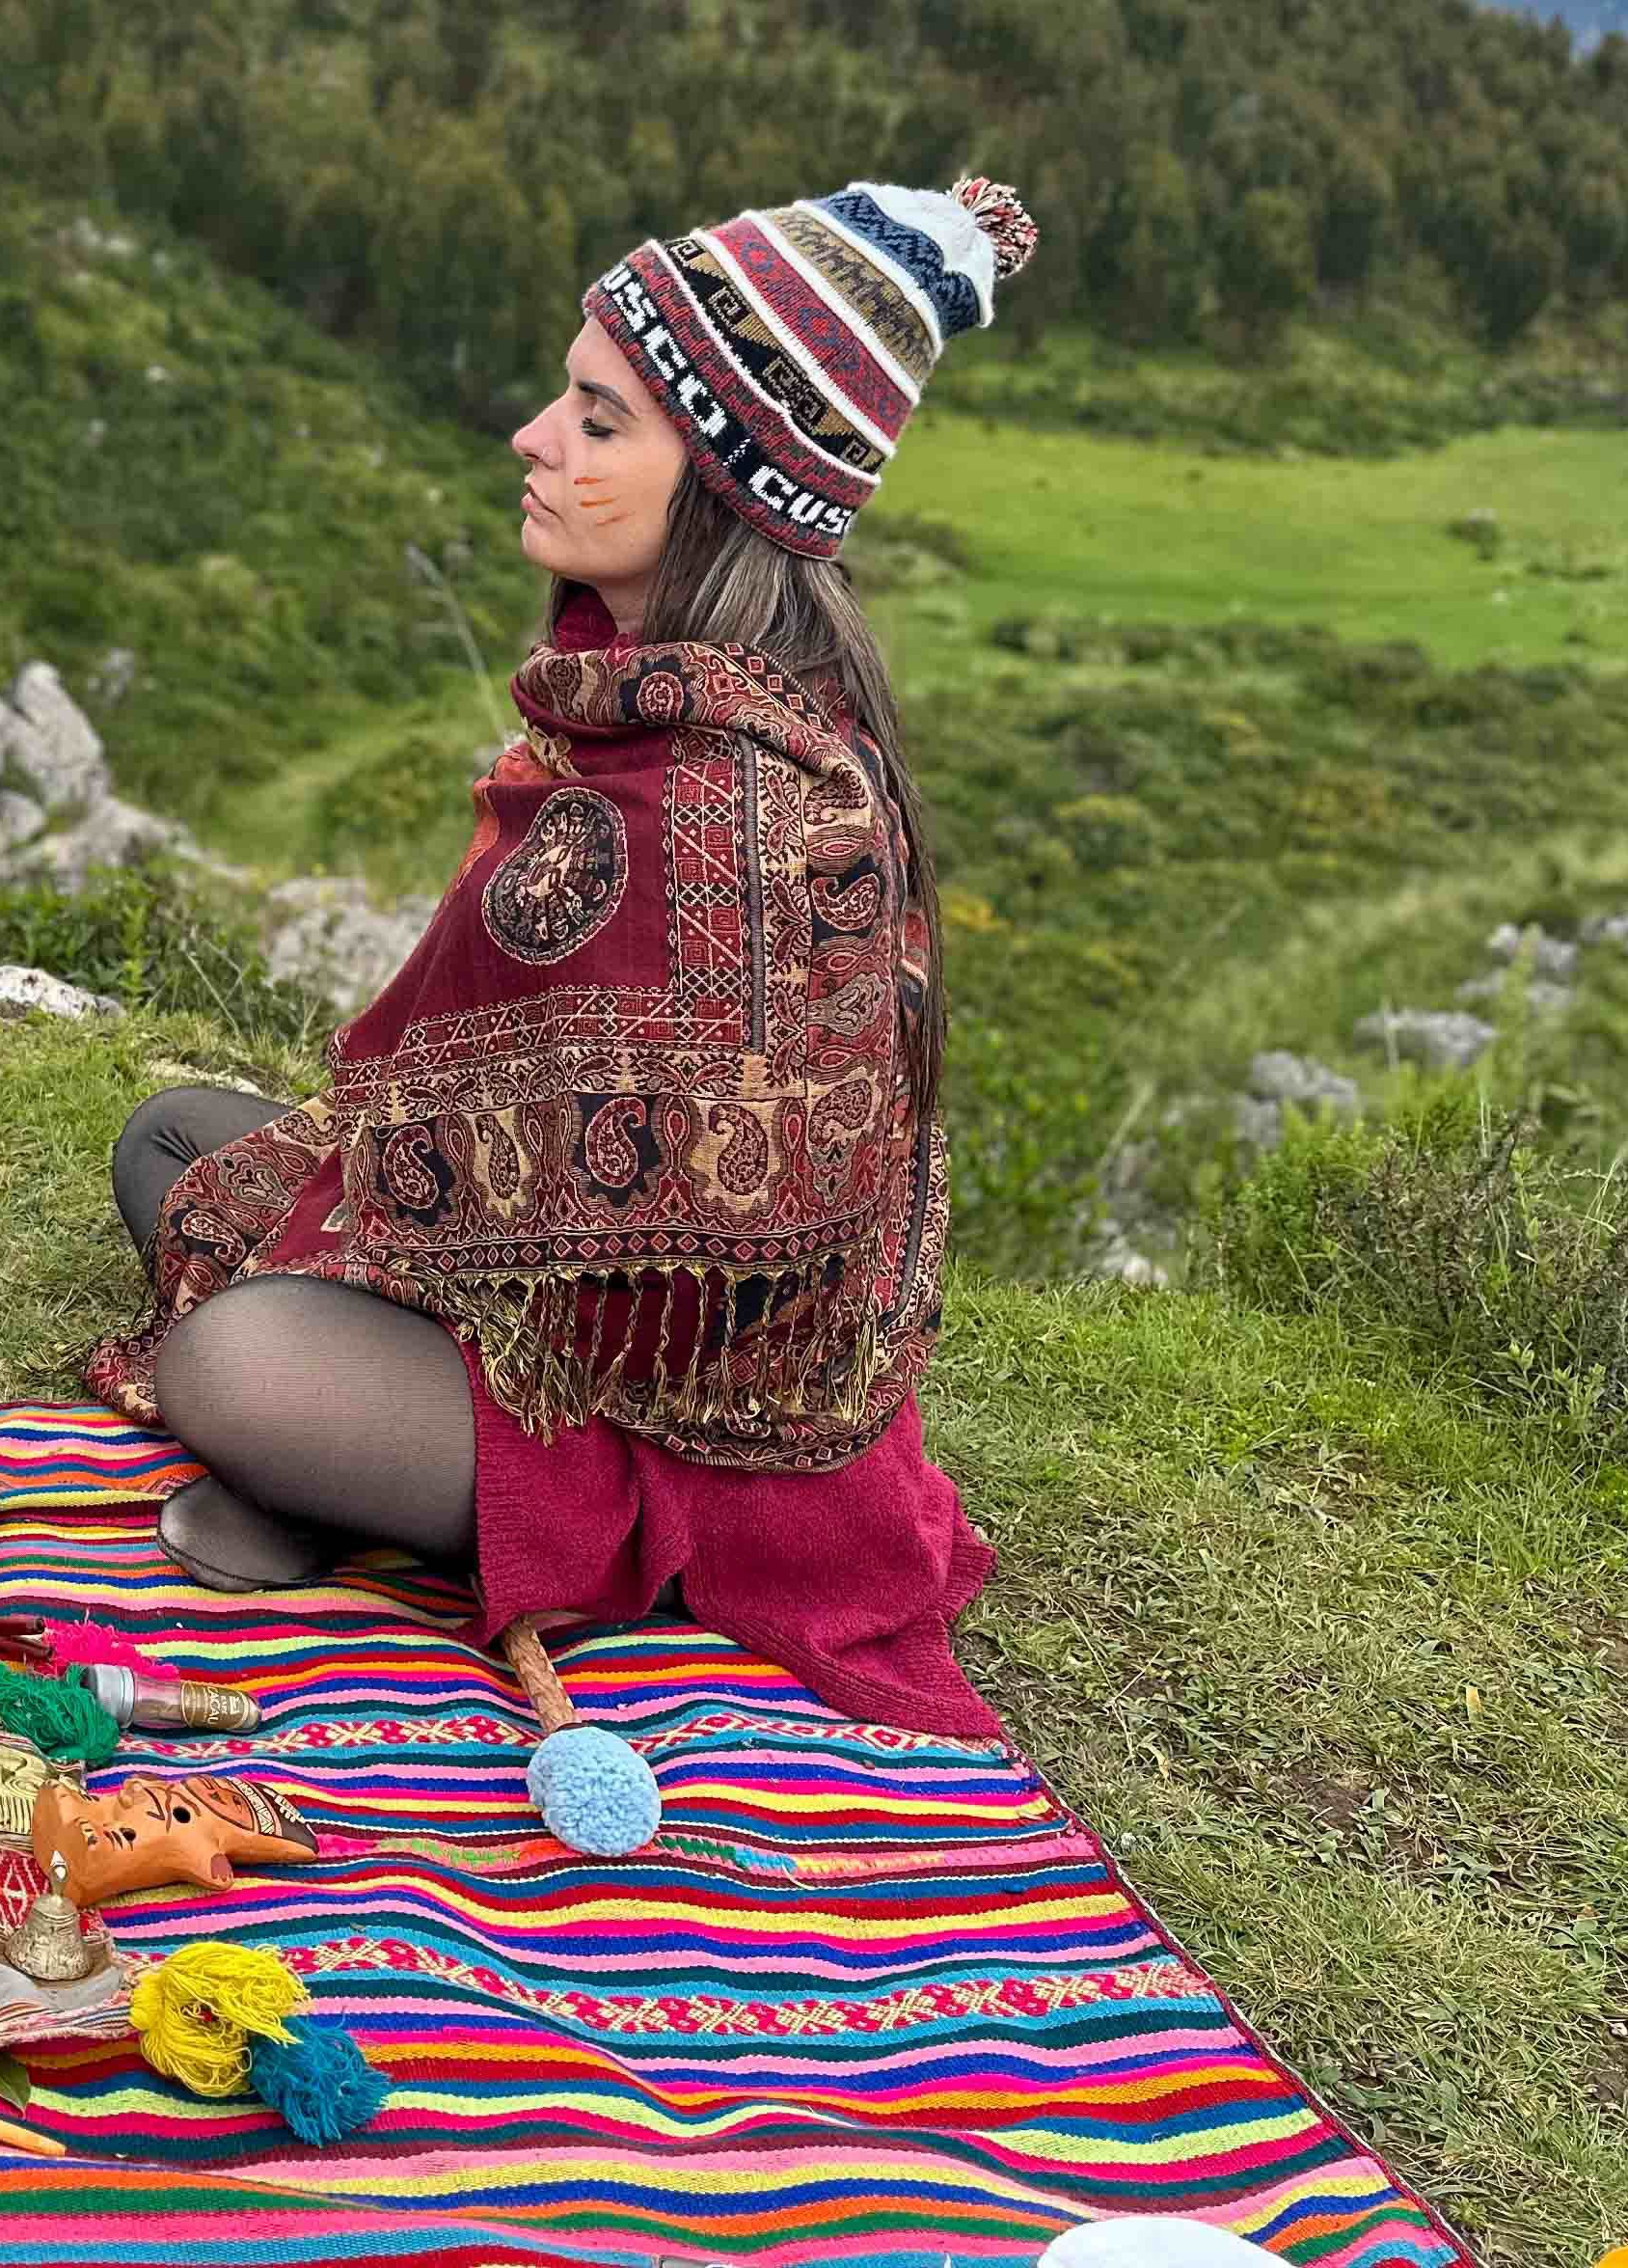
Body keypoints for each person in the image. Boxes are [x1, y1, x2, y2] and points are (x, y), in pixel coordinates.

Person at [87, 174, 1039, 1738]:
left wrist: (391, 1261)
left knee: (235, 1364)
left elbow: (725, 1263)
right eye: (564, 400)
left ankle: (449, 1507)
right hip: (519, 1289)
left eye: (600, 422)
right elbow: (501, 1127)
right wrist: (414, 1225)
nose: (536, 437)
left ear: (725, 486)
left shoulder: (746, 802)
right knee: (172, 1141)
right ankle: (355, 1475)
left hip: (684, 1429)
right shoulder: (636, 692)